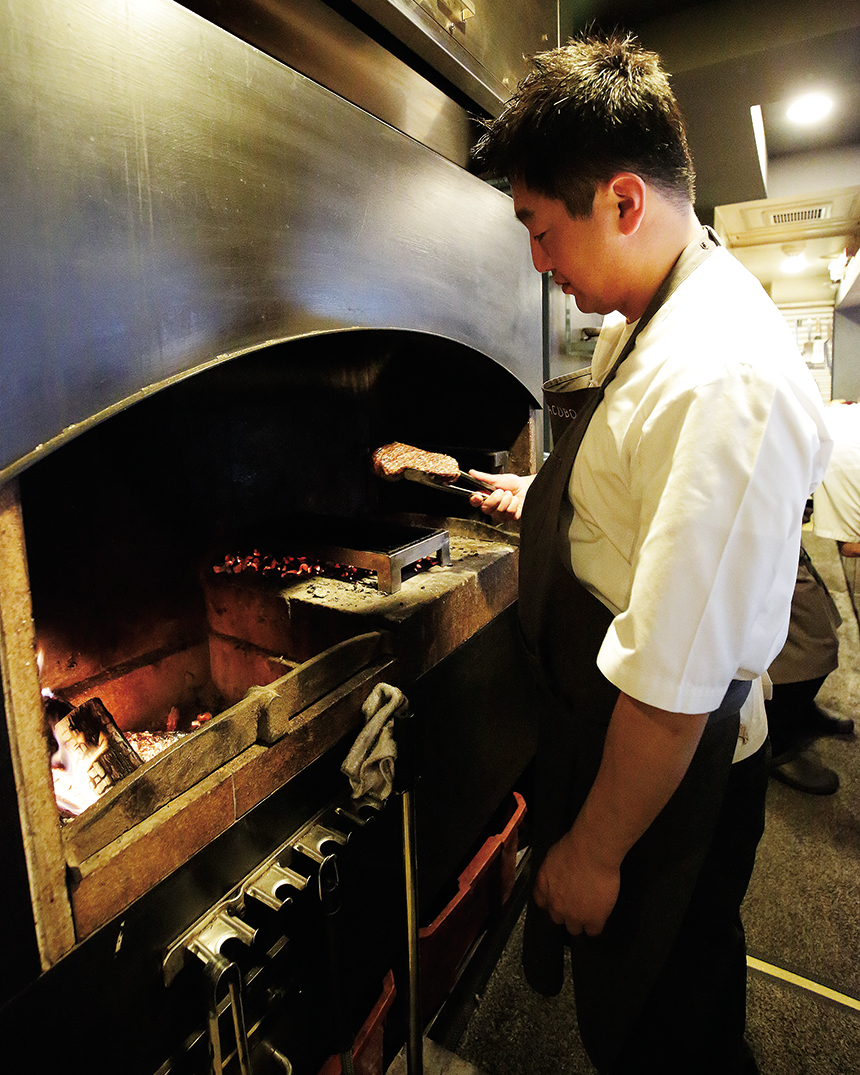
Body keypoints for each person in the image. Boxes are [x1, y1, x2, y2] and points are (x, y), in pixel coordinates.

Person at [468, 33, 833, 1075]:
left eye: (540, 230)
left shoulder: (723, 375)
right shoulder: (654, 300)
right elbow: (634, 482)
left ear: (621, 201)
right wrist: (534, 497)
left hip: (670, 776)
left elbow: (676, 685)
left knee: (670, 1031)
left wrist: (590, 851)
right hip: (615, 731)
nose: (537, 261)